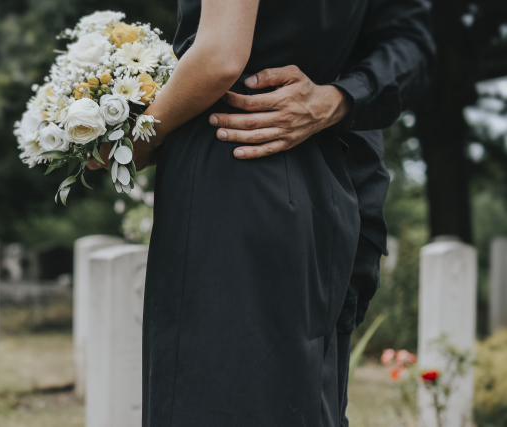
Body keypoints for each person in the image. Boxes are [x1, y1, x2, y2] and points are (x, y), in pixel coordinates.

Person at [85, 0, 428, 424]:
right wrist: (338, 98)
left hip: (235, 171)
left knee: (216, 400)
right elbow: (408, 40)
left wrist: (135, 138)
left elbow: (220, 57)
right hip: (334, 182)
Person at [208, 0, 434, 424]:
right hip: (209, 191)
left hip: (331, 186)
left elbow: (409, 43)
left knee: (306, 404)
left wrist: (337, 98)